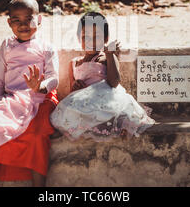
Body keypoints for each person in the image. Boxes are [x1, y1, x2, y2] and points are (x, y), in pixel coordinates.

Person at [0, 0, 59, 187]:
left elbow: (54, 78)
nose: (23, 25)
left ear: (39, 20)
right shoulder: (7, 45)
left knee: (36, 137)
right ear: (9, 23)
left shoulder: (46, 47)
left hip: (39, 100)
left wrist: (39, 86)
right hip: (11, 100)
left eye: (29, 19)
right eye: (17, 21)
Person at [50, 12, 155, 141]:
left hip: (105, 100)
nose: (91, 41)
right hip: (84, 102)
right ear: (78, 38)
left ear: (106, 39)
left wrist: (111, 55)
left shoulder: (105, 58)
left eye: (96, 36)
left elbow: (114, 82)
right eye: (85, 37)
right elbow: (72, 91)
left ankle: (120, 126)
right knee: (68, 111)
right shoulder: (74, 63)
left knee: (116, 112)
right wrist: (76, 86)